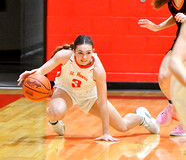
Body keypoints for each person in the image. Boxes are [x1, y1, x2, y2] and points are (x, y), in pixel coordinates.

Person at [18, 35, 159, 141]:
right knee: (55, 112)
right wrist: (32, 75)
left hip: (90, 97)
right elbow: (42, 71)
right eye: (80, 52)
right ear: (73, 50)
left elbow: (103, 102)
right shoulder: (64, 56)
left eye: (88, 53)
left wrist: (105, 133)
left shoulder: (98, 70)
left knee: (122, 127)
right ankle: (54, 120)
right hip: (65, 91)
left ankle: (141, 117)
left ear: (93, 51)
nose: (84, 57)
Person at [138, 0, 186, 136]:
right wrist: (157, 27)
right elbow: (175, 17)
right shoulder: (171, 0)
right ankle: (172, 105)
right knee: (164, 77)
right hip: (181, 42)